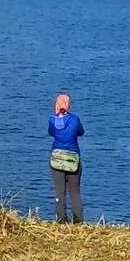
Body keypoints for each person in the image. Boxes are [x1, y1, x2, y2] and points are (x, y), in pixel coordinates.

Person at [47, 92, 85, 223]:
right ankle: (78, 220)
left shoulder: (52, 120)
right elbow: (81, 132)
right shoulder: (75, 119)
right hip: (73, 158)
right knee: (74, 192)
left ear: (57, 105)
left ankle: (61, 219)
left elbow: (51, 132)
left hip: (56, 158)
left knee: (59, 191)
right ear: (68, 106)